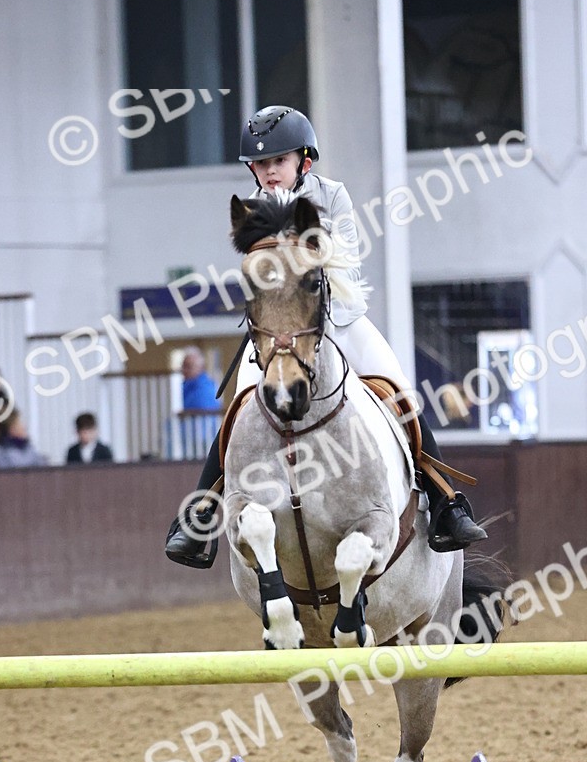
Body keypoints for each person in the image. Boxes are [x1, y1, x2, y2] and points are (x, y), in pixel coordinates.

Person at [165, 104, 486, 569]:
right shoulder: (250, 209)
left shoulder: (333, 197)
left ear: (304, 161)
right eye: (260, 163)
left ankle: (444, 503)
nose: (268, 171)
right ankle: (198, 516)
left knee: (400, 394)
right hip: (277, 332)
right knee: (236, 415)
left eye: (278, 160)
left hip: (339, 319)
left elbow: (347, 267)